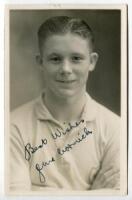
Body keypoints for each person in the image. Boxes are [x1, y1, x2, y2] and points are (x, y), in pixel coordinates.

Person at [10, 16, 120, 191]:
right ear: (40, 62)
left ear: (92, 62)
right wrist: (92, 193)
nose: (66, 69)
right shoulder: (12, 126)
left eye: (76, 58)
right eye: (55, 59)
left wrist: (38, 191)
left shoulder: (116, 128)